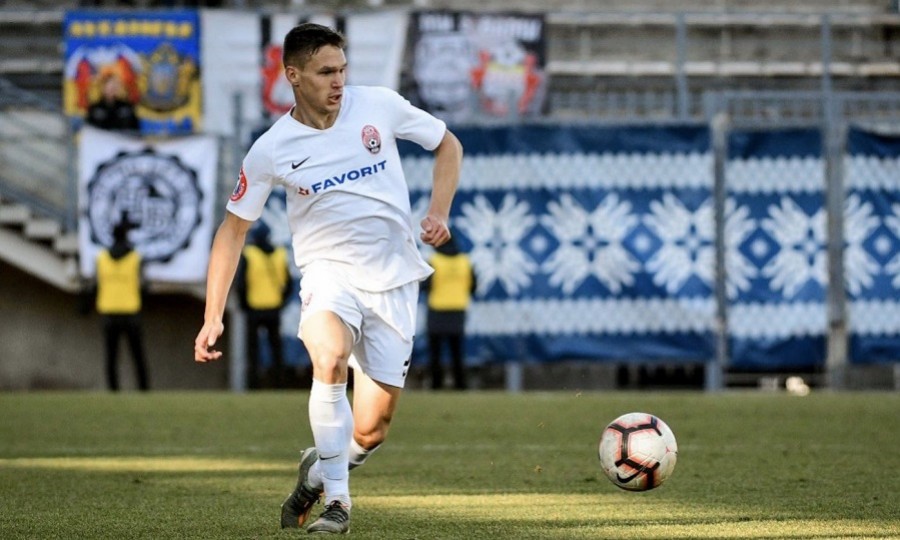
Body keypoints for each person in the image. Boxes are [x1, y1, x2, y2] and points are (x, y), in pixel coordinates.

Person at [193, 23, 463, 535]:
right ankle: (339, 502)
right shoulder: (272, 148)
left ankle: (317, 474)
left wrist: (439, 211)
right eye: (324, 72)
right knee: (330, 354)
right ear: (293, 76)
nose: (338, 81)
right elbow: (232, 231)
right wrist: (212, 317)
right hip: (328, 274)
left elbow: (448, 144)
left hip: (394, 280)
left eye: (342, 69)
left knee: (371, 431)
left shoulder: (378, 104)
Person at [235, 223, 291, 389]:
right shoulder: (280, 253)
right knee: (276, 349)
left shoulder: (249, 254)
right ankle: (279, 384)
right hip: (274, 308)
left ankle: (253, 385)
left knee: (253, 350)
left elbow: (241, 284)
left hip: (254, 308)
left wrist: (243, 305)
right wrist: (282, 302)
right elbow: (288, 284)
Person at [96, 218, 149, 391]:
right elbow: (144, 285)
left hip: (109, 312)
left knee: (111, 356)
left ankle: (113, 391)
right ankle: (144, 389)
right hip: (130, 312)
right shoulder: (135, 258)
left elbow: (96, 284)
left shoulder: (102, 258)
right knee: (138, 355)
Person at [422, 235, 476, 390]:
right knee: (457, 351)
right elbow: (473, 286)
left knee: (435, 352)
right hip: (458, 309)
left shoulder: (434, 261)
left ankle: (436, 384)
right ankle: (460, 384)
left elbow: (425, 286)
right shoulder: (465, 261)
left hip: (437, 309)